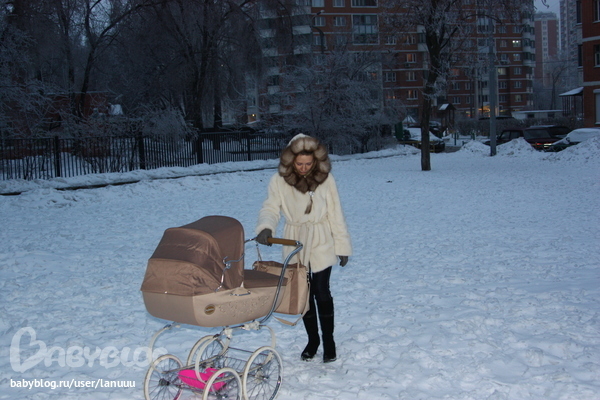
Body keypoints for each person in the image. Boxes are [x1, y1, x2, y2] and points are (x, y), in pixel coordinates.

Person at [255, 133, 352, 363]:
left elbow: (335, 213)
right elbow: (270, 207)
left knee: (321, 290)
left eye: (308, 164)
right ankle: (313, 340)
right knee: (303, 293)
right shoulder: (279, 180)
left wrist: (342, 245)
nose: (304, 168)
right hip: (294, 241)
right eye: (300, 164)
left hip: (321, 237)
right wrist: (266, 227)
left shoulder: (326, 179)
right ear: (291, 159)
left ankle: (329, 340)